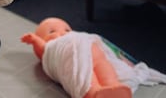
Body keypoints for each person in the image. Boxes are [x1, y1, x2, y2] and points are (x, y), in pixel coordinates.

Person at [21, 17, 166, 98]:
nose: (62, 31)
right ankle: (94, 92)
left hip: (92, 48)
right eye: (52, 31)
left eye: (67, 29)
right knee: (83, 73)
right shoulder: (53, 46)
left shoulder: (77, 36)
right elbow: (44, 50)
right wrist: (35, 40)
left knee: (105, 66)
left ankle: (113, 87)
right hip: (71, 54)